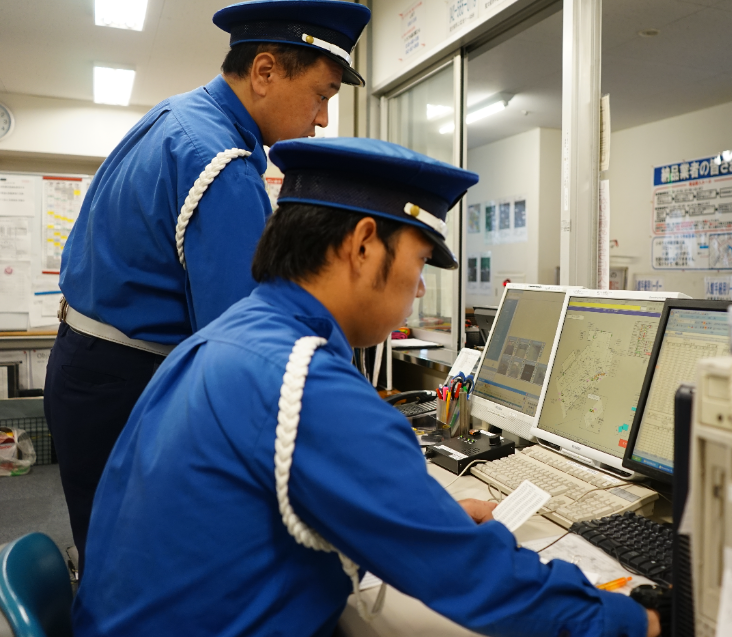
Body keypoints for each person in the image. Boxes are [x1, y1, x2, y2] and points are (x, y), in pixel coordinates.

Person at [73, 138, 660, 637]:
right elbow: (469, 578)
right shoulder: (306, 383)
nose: (421, 288)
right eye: (421, 260)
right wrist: (635, 621)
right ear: (362, 245)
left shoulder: (223, 340)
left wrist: (422, 513)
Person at [44, 0, 371, 575]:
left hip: (89, 367)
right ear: (265, 72)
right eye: (322, 96)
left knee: (111, 557)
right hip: (127, 384)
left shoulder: (177, 117)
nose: (322, 118)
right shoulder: (220, 161)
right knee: (144, 569)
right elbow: (244, 344)